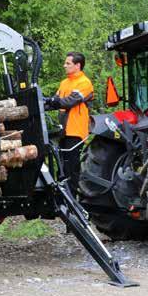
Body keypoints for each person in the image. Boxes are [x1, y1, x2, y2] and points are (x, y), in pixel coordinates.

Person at [45, 52, 94, 194]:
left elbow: (69, 102)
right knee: (61, 166)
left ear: (78, 65)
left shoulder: (84, 83)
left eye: (68, 63)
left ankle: (72, 199)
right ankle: (62, 197)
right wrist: (42, 103)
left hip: (76, 131)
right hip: (63, 130)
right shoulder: (64, 83)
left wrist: (53, 101)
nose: (64, 66)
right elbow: (55, 101)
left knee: (71, 168)